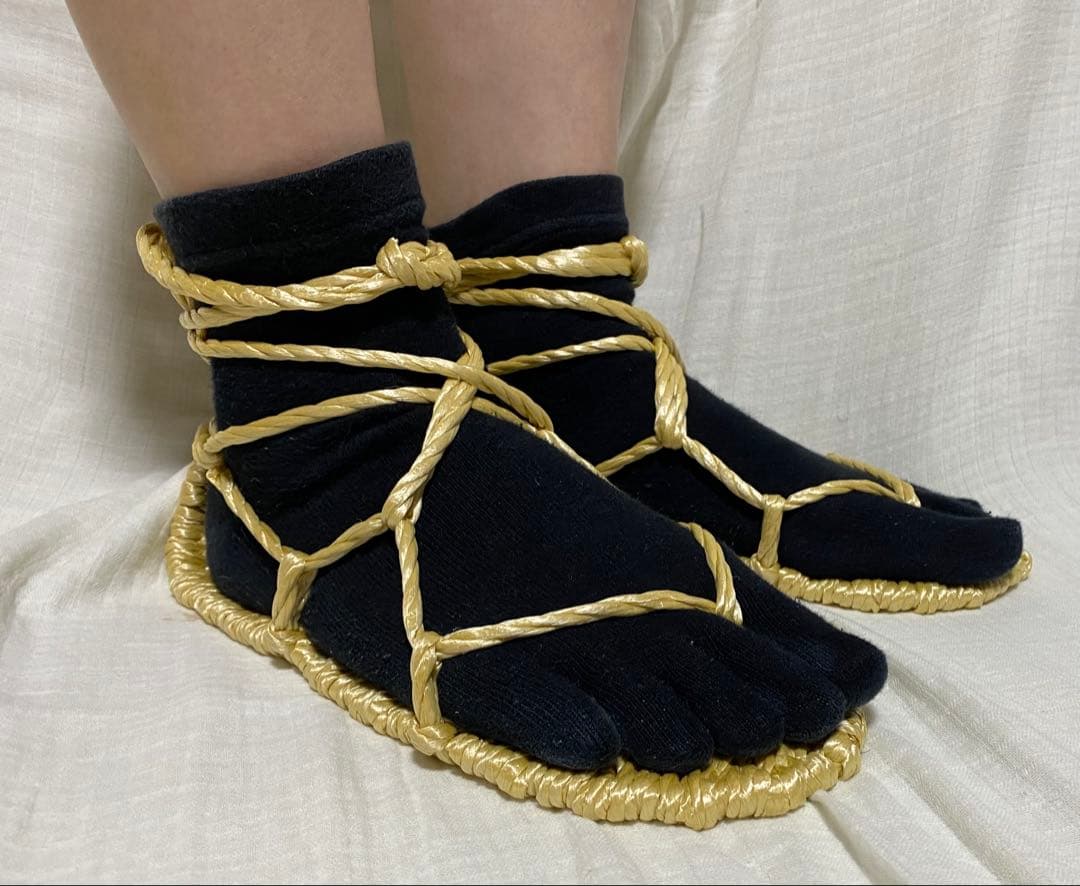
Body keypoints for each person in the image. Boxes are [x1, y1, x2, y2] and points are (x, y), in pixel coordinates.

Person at [66, 0, 1023, 798]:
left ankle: (552, 355)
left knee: (550, 313)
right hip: (344, 465)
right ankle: (331, 426)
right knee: (332, 367)